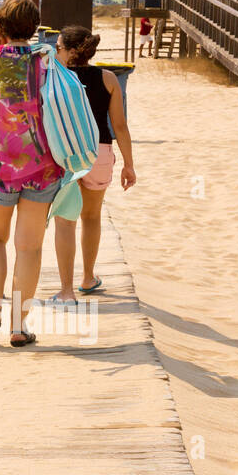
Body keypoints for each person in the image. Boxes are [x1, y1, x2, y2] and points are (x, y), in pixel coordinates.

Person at [0, 0, 62, 347]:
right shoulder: (48, 61)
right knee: (30, 247)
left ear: (1, 27)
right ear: (34, 28)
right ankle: (20, 326)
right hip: (41, 162)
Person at [50, 26, 137, 303]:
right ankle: (88, 277)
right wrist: (128, 165)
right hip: (99, 152)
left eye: (60, 46)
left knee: (66, 221)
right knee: (91, 217)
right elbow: (120, 126)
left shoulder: (55, 78)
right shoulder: (109, 78)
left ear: (72, 50)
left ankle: (66, 290)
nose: (56, 50)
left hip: (65, 153)